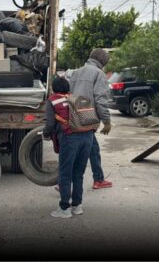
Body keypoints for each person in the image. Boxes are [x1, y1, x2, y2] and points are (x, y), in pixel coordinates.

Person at [44, 77, 96, 218]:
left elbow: (49, 124)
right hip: (88, 137)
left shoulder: (52, 100)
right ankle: (77, 206)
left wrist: (45, 134)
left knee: (65, 174)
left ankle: (64, 208)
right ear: (68, 88)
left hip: (70, 138)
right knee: (78, 173)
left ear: (54, 89)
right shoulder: (76, 98)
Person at [67, 48, 114, 190]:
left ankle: (98, 178)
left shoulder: (75, 72)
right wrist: (107, 122)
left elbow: (67, 94)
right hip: (88, 117)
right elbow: (101, 100)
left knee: (90, 148)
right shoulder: (99, 74)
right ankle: (66, 183)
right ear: (103, 62)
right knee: (81, 151)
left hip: (73, 116)